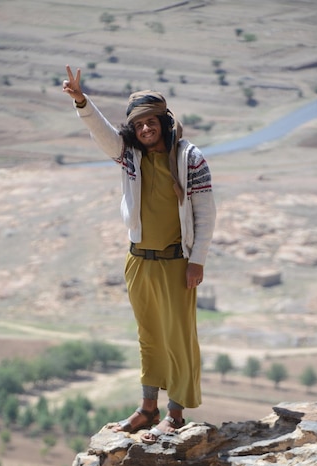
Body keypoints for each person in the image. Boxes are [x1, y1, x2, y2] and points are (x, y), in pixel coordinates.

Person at [63, 65, 216, 443]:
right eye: (140, 124)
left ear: (164, 122)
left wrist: (197, 259)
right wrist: (82, 101)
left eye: (153, 122)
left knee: (178, 336)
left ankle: (175, 413)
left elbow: (205, 212)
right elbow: (103, 135)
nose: (147, 129)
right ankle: (148, 409)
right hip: (138, 260)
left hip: (176, 262)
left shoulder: (189, 158)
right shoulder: (130, 155)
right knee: (149, 336)